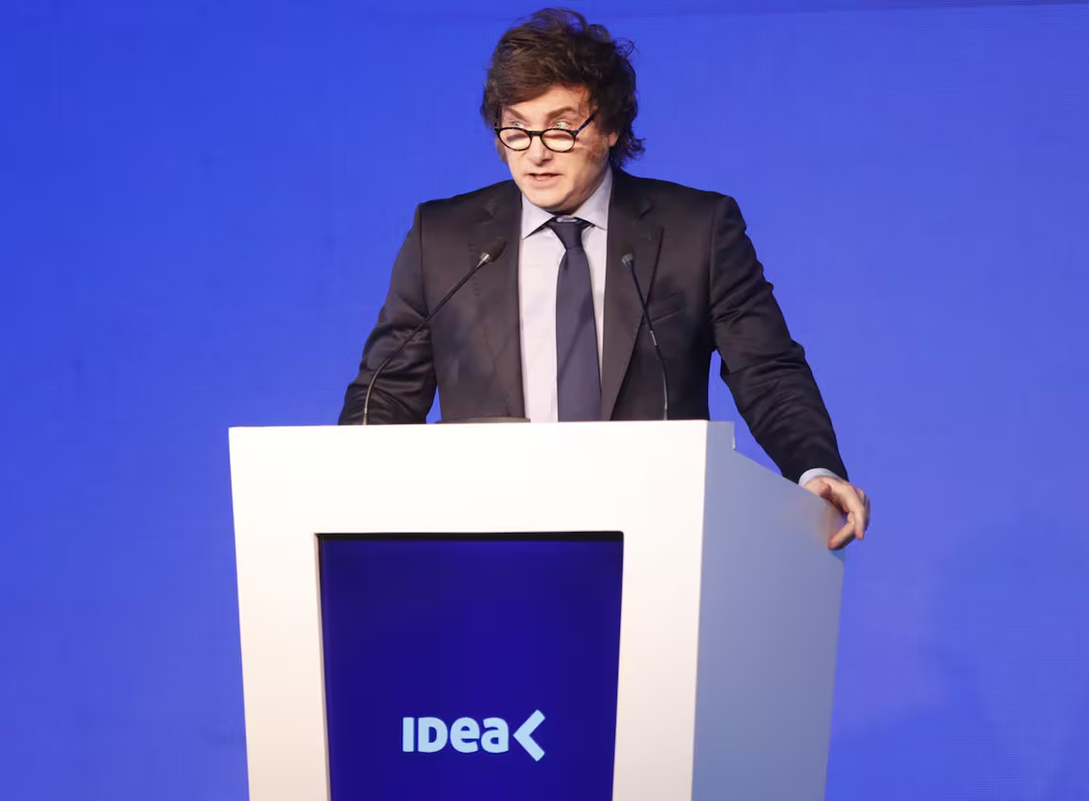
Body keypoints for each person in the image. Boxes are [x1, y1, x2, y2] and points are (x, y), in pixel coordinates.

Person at [339, 8, 870, 549]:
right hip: (487, 535)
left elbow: (765, 369)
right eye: (516, 130)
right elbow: (385, 391)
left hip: (655, 535)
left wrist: (813, 467)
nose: (536, 153)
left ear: (612, 127)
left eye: (561, 128)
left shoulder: (696, 229)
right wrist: (342, 492)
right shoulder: (444, 238)